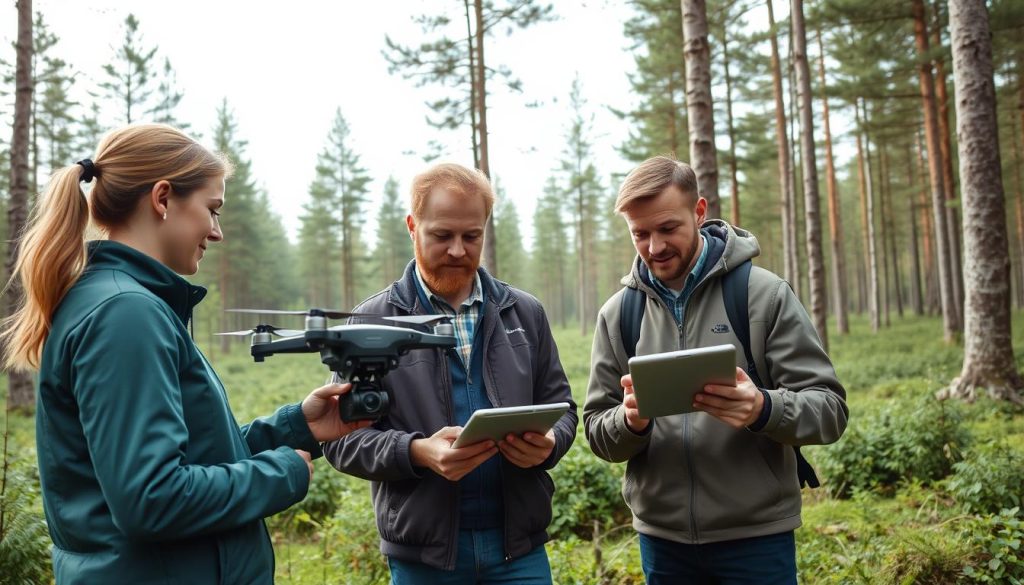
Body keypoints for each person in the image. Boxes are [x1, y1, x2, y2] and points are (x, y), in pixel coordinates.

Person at [0, 124, 371, 584]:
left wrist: (298, 427)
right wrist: (282, 473)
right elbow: (152, 499)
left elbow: (189, 458)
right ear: (162, 198)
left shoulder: (121, 302)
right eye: (211, 210)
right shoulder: (125, 314)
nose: (216, 232)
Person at [583, 155, 848, 584]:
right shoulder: (619, 315)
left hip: (757, 540)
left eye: (668, 228)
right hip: (662, 543)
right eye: (640, 234)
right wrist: (630, 422)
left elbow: (830, 411)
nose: (655, 247)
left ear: (700, 211)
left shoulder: (762, 296)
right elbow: (597, 430)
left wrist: (763, 408)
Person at [323, 162, 577, 584]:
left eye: (471, 236)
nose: (458, 250)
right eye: (442, 235)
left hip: (520, 549)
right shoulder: (371, 322)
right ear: (412, 225)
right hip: (425, 556)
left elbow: (564, 407)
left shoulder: (524, 312)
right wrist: (417, 452)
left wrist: (549, 444)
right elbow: (342, 441)